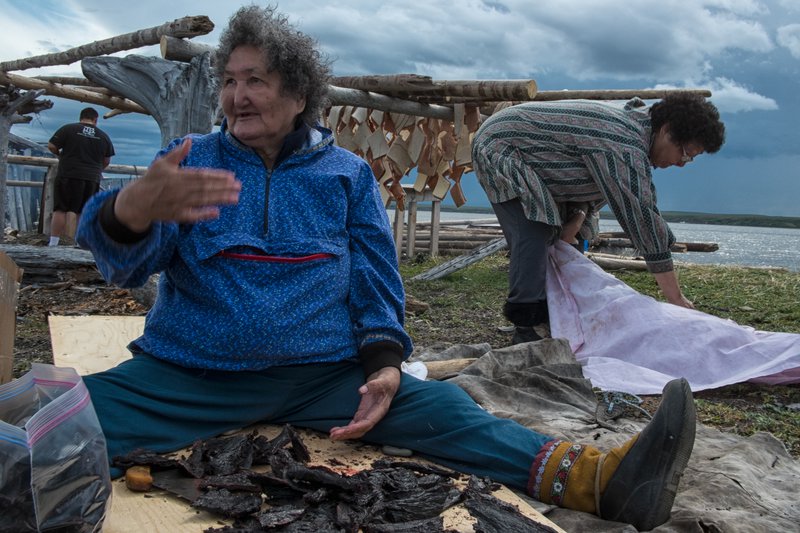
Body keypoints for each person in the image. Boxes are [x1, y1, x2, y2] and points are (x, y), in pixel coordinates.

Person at [74, 6, 696, 530]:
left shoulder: (344, 174)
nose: (238, 95)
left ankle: (602, 482)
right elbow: (124, 268)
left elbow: (375, 279)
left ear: (297, 93)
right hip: (190, 375)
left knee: (451, 414)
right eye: (231, 80)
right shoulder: (189, 163)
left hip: (323, 379)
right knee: (59, 420)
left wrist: (383, 366)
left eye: (255, 80)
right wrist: (126, 210)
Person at [472, 95, 726, 344]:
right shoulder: (623, 141)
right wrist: (676, 299)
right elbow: (641, 216)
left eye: (690, 159)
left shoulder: (634, 141)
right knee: (535, 230)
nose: (682, 163)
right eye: (685, 153)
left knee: (560, 238)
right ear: (667, 130)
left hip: (541, 162)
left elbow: (586, 180)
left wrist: (578, 216)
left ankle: (555, 311)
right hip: (501, 146)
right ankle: (526, 322)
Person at [47, 106, 115, 246]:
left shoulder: (68, 129)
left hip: (68, 173)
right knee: (83, 211)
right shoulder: (103, 136)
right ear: (95, 119)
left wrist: (61, 156)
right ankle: (80, 243)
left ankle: (53, 243)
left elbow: (51, 145)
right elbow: (107, 160)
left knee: (60, 209)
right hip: (91, 177)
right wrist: (96, 169)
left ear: (81, 117)